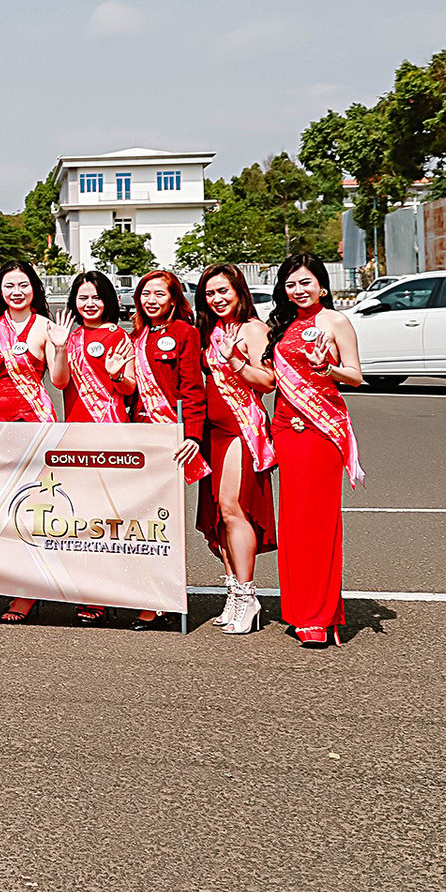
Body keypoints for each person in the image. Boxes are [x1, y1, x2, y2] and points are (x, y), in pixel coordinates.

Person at [264, 253, 364, 649]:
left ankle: (321, 615)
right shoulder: (283, 324)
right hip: (286, 429)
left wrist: (328, 369)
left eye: (305, 282)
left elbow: (355, 376)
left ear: (322, 285)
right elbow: (272, 378)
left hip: (322, 430)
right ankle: (299, 608)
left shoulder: (336, 322)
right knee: (293, 521)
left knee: (319, 522)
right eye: (290, 284)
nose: (298, 290)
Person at [0, 260, 65, 624]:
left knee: (30, 508)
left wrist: (58, 348)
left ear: (34, 289)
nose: (16, 292)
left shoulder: (45, 326)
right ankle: (8, 579)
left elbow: (58, 382)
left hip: (32, 423)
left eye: (23, 285)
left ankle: (26, 594)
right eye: (9, 285)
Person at [195, 264, 277, 635]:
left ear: (238, 290)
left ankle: (248, 596)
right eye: (210, 293)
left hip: (241, 428)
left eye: (223, 291)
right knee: (218, 513)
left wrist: (236, 360)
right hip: (213, 430)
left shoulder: (253, 330)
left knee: (232, 507)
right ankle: (232, 593)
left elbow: (268, 381)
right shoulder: (209, 331)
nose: (217, 299)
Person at [51, 270, 136, 626]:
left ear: (109, 301)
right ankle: (90, 595)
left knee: (115, 518)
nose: (90, 304)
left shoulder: (120, 336)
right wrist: (58, 347)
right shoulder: (68, 339)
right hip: (78, 434)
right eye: (83, 297)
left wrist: (116, 373)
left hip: (112, 432)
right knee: (83, 518)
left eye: (97, 297)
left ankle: (119, 589)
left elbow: (130, 388)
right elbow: (59, 382)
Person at [128, 270, 210, 630]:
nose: (151, 300)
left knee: (164, 522)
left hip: (169, 437)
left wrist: (192, 435)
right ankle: (145, 593)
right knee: (140, 522)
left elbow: (193, 389)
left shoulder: (184, 334)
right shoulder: (136, 336)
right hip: (140, 435)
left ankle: (161, 599)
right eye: (145, 294)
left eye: (159, 294)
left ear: (174, 298)